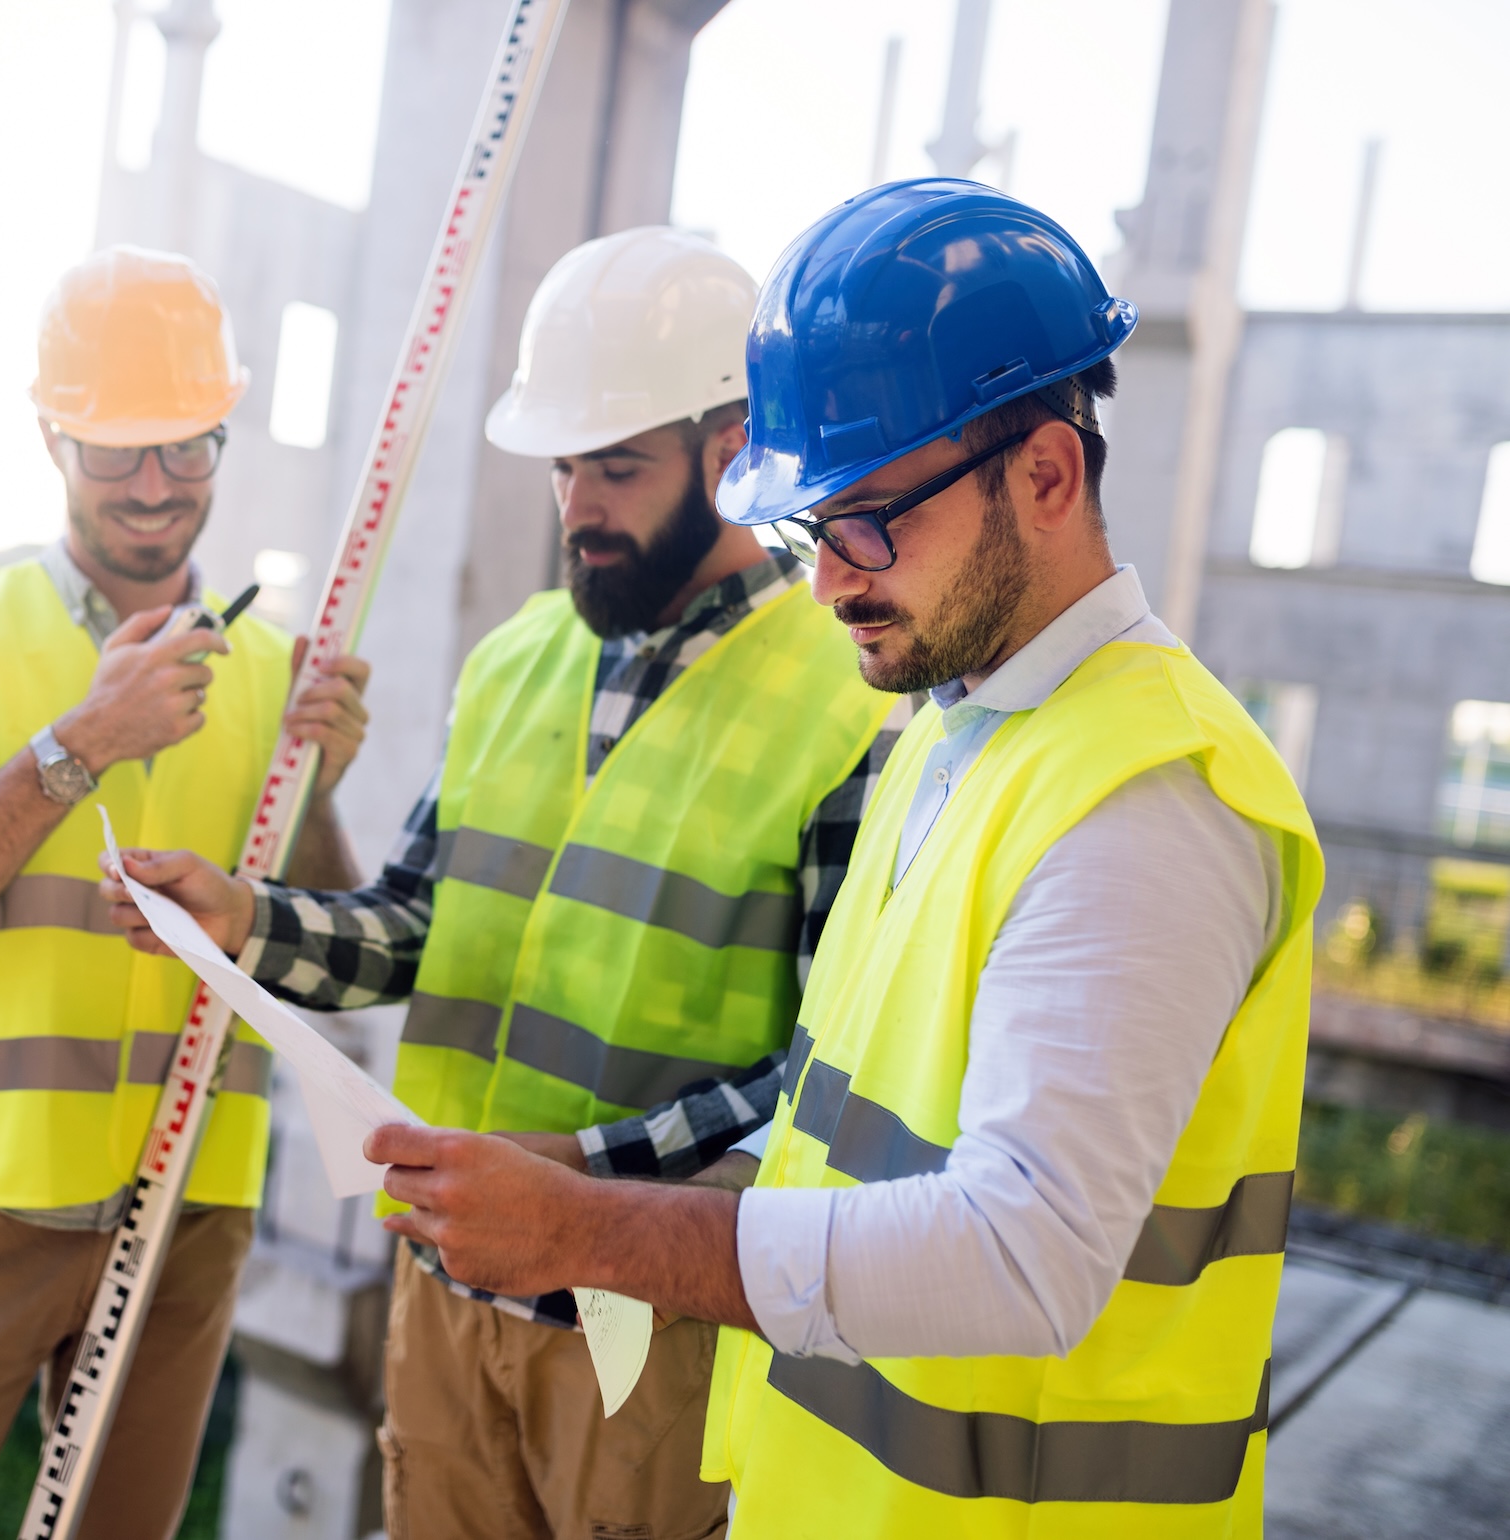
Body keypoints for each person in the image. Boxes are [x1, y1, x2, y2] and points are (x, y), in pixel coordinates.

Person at [364, 180, 1323, 1537]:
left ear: (1047, 476)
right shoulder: (957, 734)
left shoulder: (1147, 797)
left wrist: (589, 1231)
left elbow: (1022, 1254)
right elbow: (828, 1124)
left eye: (869, 519)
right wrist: (578, 1170)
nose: (826, 583)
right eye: (812, 529)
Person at [105, 226, 902, 1539]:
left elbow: (831, 1082)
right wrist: (244, 921)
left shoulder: (850, 702)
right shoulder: (518, 657)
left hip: (650, 1332)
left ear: (730, 452)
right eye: (563, 468)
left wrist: (575, 1185)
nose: (578, 507)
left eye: (617, 467)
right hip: (447, 1295)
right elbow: (417, 924)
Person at [0, 246, 373, 1540]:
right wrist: (80, 744)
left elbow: (331, 967)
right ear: (50, 437)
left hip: (184, 1220)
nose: (156, 486)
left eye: (186, 446)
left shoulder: (275, 671)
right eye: (115, 452)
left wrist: (321, 791)